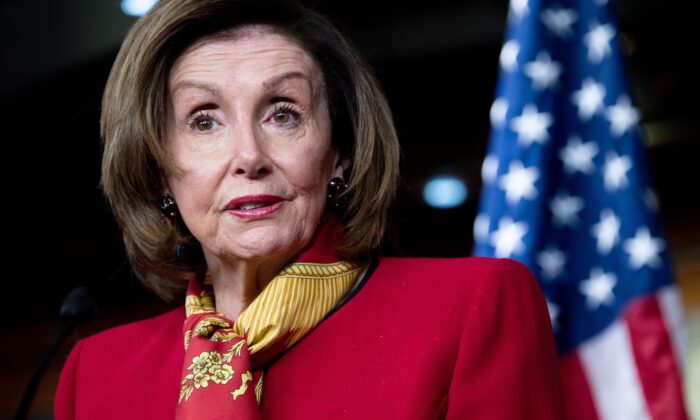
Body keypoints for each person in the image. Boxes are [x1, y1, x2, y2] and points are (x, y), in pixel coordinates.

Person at [54, 0, 566, 418]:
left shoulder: (473, 306)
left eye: (283, 114)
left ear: (339, 153)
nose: (249, 157)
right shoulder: (94, 374)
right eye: (204, 121)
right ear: (159, 170)